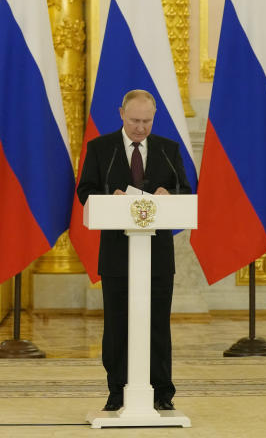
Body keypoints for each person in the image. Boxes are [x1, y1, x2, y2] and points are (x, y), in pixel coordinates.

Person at [76, 89, 190, 413]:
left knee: (157, 324)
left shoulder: (168, 149)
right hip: (116, 255)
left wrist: (171, 191)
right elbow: (85, 191)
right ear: (121, 114)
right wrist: (106, 197)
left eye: (147, 121)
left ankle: (162, 391)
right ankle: (117, 390)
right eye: (134, 120)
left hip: (157, 257)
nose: (140, 128)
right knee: (117, 324)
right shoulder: (101, 149)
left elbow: (186, 188)